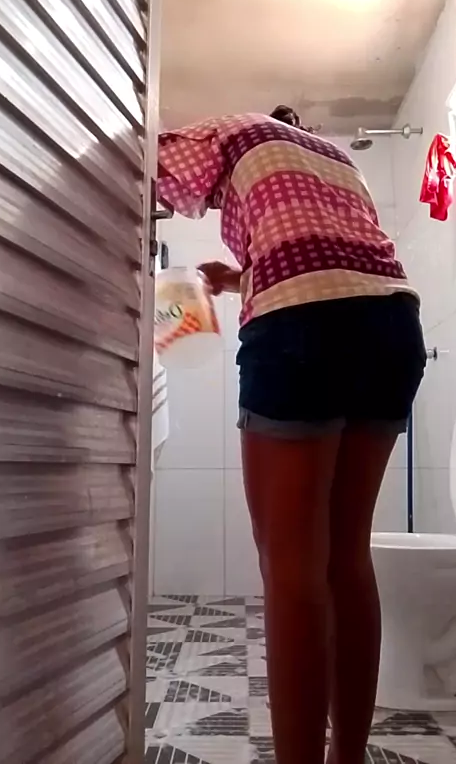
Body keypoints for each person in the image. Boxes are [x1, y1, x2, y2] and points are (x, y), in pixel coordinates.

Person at [157, 106, 426, 764]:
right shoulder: (338, 160)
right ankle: (348, 758)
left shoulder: (230, 128)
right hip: (393, 324)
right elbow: (336, 264)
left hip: (303, 327)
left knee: (291, 570)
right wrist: (240, 276)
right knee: (346, 557)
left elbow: (152, 162)